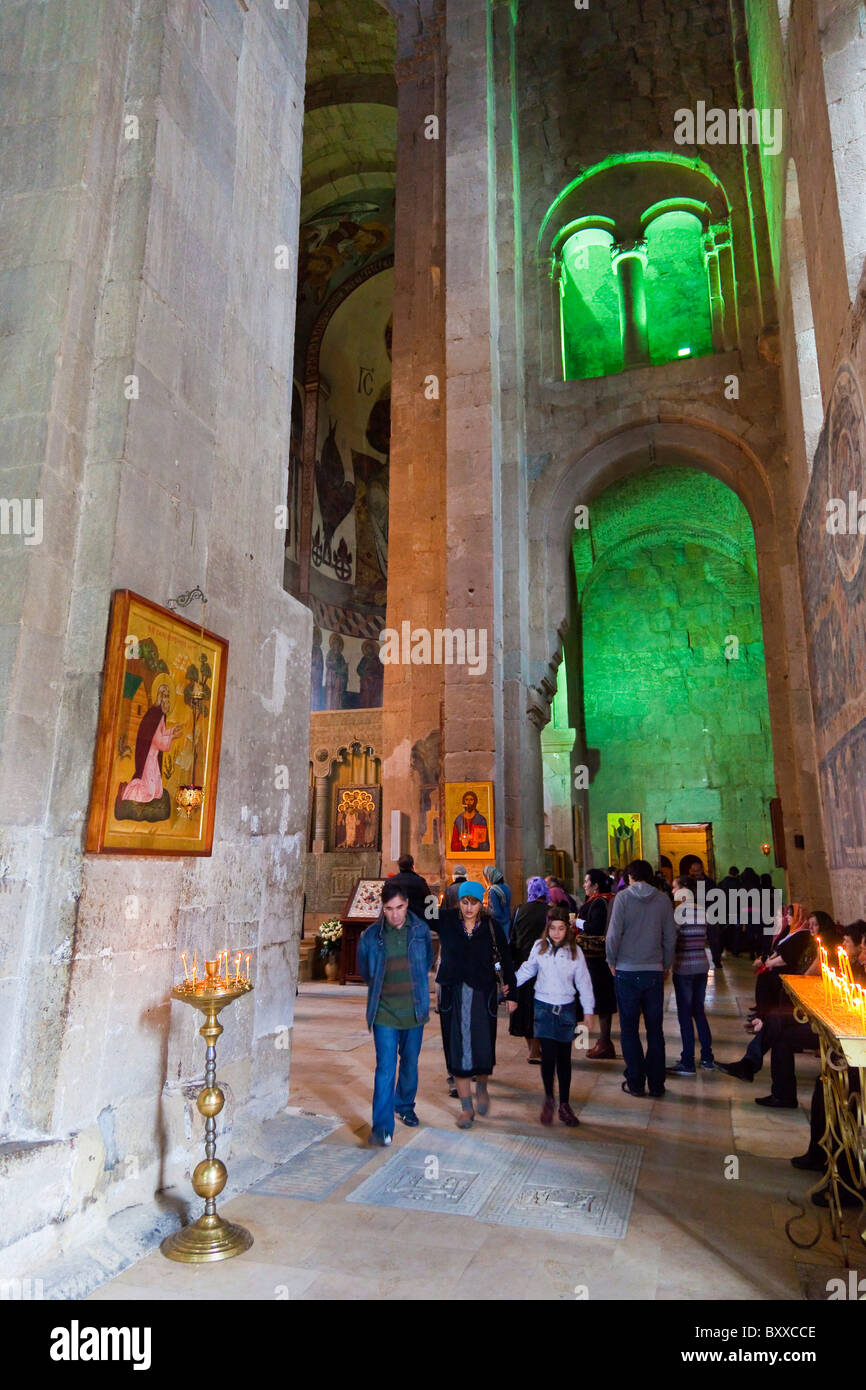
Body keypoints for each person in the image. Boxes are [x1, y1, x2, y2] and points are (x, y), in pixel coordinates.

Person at [431, 881, 517, 1127]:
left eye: (474, 903)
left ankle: (482, 1087)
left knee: (482, 1045)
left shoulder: (491, 927)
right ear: (458, 902)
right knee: (457, 1048)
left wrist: (512, 994)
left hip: (482, 993)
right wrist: (414, 887)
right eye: (464, 902)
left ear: (482, 903)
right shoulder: (446, 920)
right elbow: (421, 912)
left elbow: (506, 960)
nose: (469, 908)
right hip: (454, 993)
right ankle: (466, 1107)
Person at [357, 881, 435, 1146]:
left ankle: (405, 1105)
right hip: (385, 1014)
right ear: (383, 908)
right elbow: (366, 971)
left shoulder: (421, 931)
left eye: (399, 907)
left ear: (407, 904)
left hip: (414, 1010)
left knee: (410, 1063)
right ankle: (382, 1127)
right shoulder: (370, 936)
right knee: (385, 1068)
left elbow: (426, 962)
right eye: (389, 909)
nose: (395, 914)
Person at [516, 906, 595, 1126]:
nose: (557, 933)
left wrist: (588, 1011)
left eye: (561, 929)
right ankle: (549, 1098)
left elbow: (584, 983)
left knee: (564, 1059)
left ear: (568, 929)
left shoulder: (574, 952)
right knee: (548, 1057)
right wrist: (510, 986)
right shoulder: (539, 947)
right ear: (547, 929)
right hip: (543, 1008)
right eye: (553, 929)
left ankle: (565, 1104)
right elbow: (527, 970)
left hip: (566, 1010)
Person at [606, 859, 677, 1098]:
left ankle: (636, 1082)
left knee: (629, 1029)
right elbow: (670, 937)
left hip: (626, 970)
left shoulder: (623, 899)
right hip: (653, 971)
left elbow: (614, 934)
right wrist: (665, 964)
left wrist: (611, 961)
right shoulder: (663, 900)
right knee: (655, 1030)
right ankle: (657, 1084)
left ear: (629, 877)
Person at [666, 876, 714, 1076]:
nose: (673, 891)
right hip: (701, 966)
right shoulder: (703, 911)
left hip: (684, 967)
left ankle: (687, 1061)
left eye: (675, 887)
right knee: (699, 1012)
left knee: (685, 1015)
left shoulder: (679, 912)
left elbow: (674, 940)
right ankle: (707, 1058)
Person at [576, 869, 617, 1059]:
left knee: (601, 998)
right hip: (595, 958)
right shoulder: (604, 900)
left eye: (586, 881)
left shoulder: (600, 903)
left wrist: (577, 922)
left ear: (595, 885)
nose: (584, 885)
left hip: (596, 958)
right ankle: (603, 1041)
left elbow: (594, 928)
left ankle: (604, 1042)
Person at [509, 876, 550, 1064]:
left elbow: (512, 936)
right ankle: (537, 1049)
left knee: (525, 1007)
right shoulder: (550, 912)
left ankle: (532, 1049)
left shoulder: (519, 910)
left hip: (523, 963)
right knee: (541, 1006)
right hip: (546, 966)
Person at [685, 856, 722, 969]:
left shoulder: (710, 883)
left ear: (702, 870)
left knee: (714, 938)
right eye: (693, 871)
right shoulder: (688, 883)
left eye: (698, 870)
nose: (696, 873)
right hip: (693, 915)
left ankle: (717, 960)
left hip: (709, 914)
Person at [388, 853, 432, 922]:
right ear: (412, 866)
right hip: (417, 919)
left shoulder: (391, 882)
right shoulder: (420, 881)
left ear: (399, 866)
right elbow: (429, 901)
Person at [717, 865, 742, 956]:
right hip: (736, 911)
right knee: (737, 931)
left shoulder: (721, 883)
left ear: (729, 872)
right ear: (737, 874)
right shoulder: (739, 884)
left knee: (723, 931)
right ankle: (735, 951)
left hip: (723, 911)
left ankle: (719, 950)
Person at [483, 865, 512, 939]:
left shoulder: (493, 890)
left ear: (489, 877)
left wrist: (485, 909)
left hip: (498, 925)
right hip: (508, 923)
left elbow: (497, 912)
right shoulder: (506, 887)